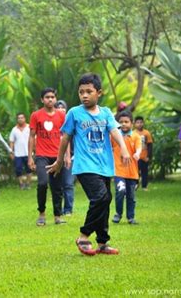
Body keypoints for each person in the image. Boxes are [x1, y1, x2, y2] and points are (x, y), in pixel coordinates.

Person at [48, 73, 130, 256]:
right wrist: (60, 160)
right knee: (101, 197)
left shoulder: (107, 113)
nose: (84, 95)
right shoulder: (74, 113)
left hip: (105, 166)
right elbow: (65, 137)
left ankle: (102, 243)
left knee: (105, 201)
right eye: (81, 92)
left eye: (88, 92)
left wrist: (123, 148)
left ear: (98, 93)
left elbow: (115, 132)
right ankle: (83, 235)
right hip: (85, 165)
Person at [28, 88, 66, 226]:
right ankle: (42, 214)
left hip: (57, 156)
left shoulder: (62, 116)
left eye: (52, 97)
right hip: (41, 156)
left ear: (55, 99)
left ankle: (57, 216)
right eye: (47, 97)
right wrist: (30, 157)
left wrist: (66, 156)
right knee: (42, 183)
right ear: (42, 99)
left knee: (57, 187)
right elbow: (32, 136)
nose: (50, 99)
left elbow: (65, 137)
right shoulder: (36, 115)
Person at [111, 111, 141, 225]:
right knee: (120, 190)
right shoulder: (114, 136)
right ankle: (118, 214)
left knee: (131, 196)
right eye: (121, 122)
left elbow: (139, 148)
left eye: (126, 122)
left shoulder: (135, 136)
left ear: (131, 124)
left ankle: (130, 217)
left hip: (132, 172)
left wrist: (137, 154)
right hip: (118, 171)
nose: (123, 124)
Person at [55, 100, 75, 216]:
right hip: (55, 158)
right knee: (58, 185)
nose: (61, 110)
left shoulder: (71, 122)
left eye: (63, 108)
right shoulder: (53, 123)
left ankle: (68, 209)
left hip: (70, 157)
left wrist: (68, 156)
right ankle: (58, 209)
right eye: (59, 108)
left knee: (68, 184)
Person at [9, 113, 32, 190]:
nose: (20, 119)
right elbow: (11, 141)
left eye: (22, 118)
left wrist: (34, 150)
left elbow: (34, 139)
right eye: (19, 118)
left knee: (29, 169)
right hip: (18, 153)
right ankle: (21, 184)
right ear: (17, 119)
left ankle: (28, 184)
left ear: (25, 119)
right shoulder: (14, 129)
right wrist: (11, 151)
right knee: (18, 169)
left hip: (28, 152)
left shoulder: (29, 128)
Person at [133, 116, 153, 191]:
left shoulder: (146, 133)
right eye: (137, 122)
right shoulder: (133, 133)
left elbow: (150, 145)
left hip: (144, 156)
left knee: (145, 172)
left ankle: (144, 186)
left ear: (143, 123)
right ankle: (136, 184)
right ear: (134, 124)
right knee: (135, 172)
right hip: (135, 157)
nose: (139, 124)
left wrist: (149, 156)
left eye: (141, 122)